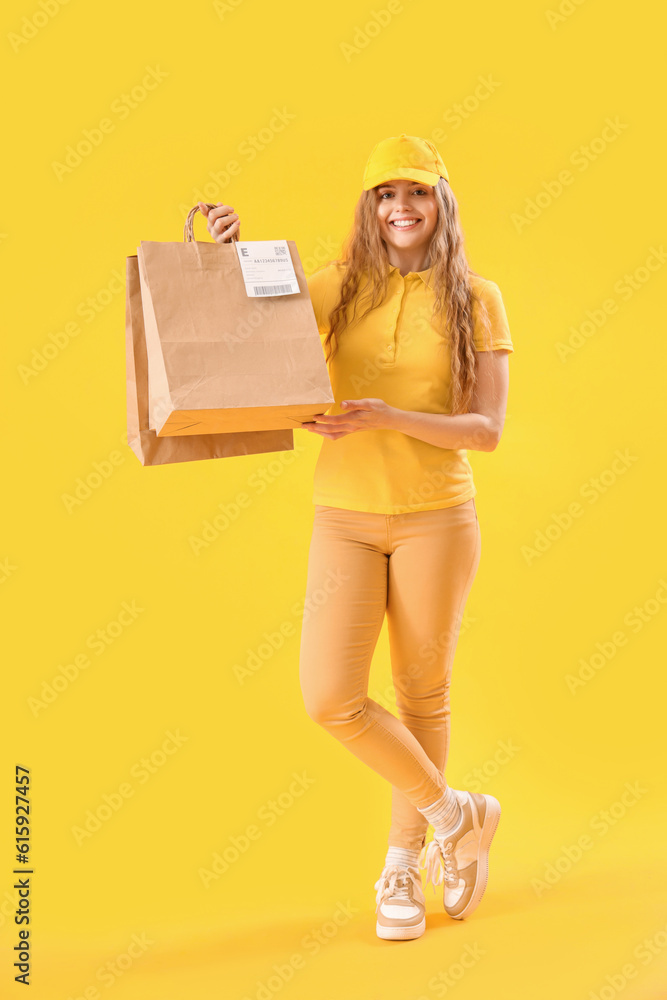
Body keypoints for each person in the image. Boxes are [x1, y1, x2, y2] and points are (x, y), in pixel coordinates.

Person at [198, 132, 514, 942]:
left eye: (414, 193)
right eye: (384, 194)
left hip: (437, 516)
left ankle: (400, 866)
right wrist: (233, 252)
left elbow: (485, 430)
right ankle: (454, 816)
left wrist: (384, 416)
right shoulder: (335, 288)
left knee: (420, 694)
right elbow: (252, 334)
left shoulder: (476, 298)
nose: (399, 208)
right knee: (329, 698)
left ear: (439, 203)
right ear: (367, 208)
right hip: (343, 514)